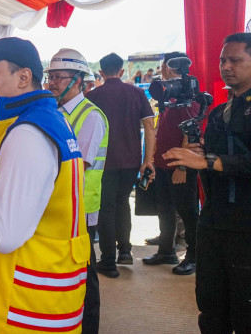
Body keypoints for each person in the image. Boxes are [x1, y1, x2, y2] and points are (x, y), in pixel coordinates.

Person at [0, 37, 89, 333]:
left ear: (23, 77)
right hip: (19, 301)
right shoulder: (38, 121)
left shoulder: (27, 133)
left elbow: (3, 233)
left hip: (19, 311)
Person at [163, 33, 251, 333]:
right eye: (222, 60)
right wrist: (197, 152)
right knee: (211, 307)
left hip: (246, 226)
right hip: (213, 222)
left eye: (235, 60)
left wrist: (209, 161)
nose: (226, 66)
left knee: (245, 310)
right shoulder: (218, 112)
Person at [46, 48, 108, 334]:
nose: (52, 83)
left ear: (79, 81)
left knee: (85, 273)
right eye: (50, 76)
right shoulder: (54, 113)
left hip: (80, 206)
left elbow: (77, 166)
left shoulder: (91, 116)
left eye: (59, 77)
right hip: (58, 205)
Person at [87, 53, 155, 278]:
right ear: (122, 71)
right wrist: (148, 160)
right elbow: (149, 126)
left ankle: (107, 261)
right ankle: (125, 250)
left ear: (101, 73)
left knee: (106, 207)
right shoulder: (136, 92)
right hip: (132, 159)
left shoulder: (94, 95)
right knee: (122, 202)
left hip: (103, 161)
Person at [143, 52, 200, 275]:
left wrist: (182, 167)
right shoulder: (170, 96)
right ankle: (166, 251)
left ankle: (194, 257)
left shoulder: (190, 96)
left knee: (187, 213)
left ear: (170, 67)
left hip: (180, 167)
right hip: (163, 165)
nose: (162, 70)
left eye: (164, 66)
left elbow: (191, 134)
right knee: (164, 210)